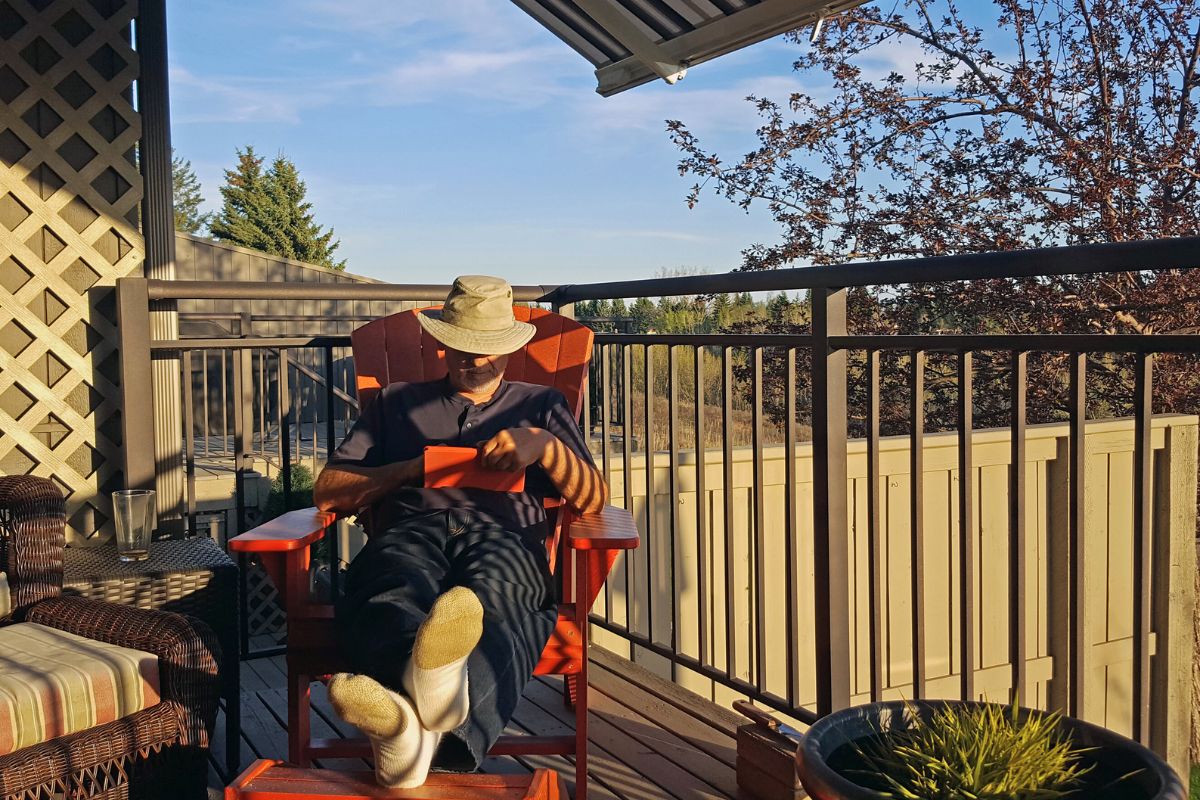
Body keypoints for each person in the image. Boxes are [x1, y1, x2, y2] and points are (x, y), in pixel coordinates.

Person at [313, 275, 607, 788]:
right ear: (441, 343)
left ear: (510, 351)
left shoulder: (540, 406)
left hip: (506, 536)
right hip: (413, 530)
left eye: (488, 350)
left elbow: (593, 498)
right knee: (390, 592)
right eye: (464, 349)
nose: (476, 360)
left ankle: (408, 731)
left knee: (496, 601)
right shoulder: (395, 402)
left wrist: (544, 447)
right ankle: (431, 709)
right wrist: (411, 470)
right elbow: (329, 491)